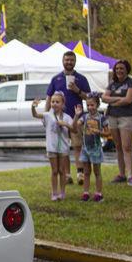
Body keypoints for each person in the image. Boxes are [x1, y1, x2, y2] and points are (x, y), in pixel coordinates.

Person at [45, 51, 91, 185]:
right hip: (60, 119)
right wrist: (46, 115)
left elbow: (89, 97)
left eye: (71, 60)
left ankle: (80, 173)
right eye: (66, 60)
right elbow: (49, 98)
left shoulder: (81, 78)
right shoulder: (56, 79)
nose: (69, 62)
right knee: (63, 149)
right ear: (62, 61)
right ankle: (67, 175)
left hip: (77, 117)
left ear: (75, 62)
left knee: (77, 146)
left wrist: (77, 90)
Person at [102, 60, 132, 186]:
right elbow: (104, 97)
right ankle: (121, 174)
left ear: (127, 70)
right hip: (113, 117)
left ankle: (130, 176)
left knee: (126, 147)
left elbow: (128, 100)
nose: (119, 71)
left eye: (121, 68)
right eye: (117, 68)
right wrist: (119, 99)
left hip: (127, 117)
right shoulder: (112, 84)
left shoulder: (131, 83)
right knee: (118, 147)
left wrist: (112, 101)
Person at [67, 93, 109, 202]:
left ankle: (99, 193)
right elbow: (74, 127)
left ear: (97, 104)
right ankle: (86, 193)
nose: (90, 107)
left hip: (96, 149)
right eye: (88, 105)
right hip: (85, 149)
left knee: (97, 172)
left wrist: (99, 132)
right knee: (86, 172)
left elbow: (108, 133)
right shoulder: (84, 117)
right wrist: (76, 115)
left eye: (92, 105)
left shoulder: (102, 118)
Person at [31, 91, 73, 201]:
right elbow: (35, 115)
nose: (54, 104)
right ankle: (54, 193)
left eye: (57, 102)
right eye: (52, 101)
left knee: (62, 170)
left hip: (63, 147)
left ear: (63, 103)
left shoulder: (67, 117)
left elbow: (74, 129)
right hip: (51, 147)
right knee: (54, 171)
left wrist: (65, 124)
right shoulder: (48, 115)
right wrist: (33, 106)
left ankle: (62, 192)